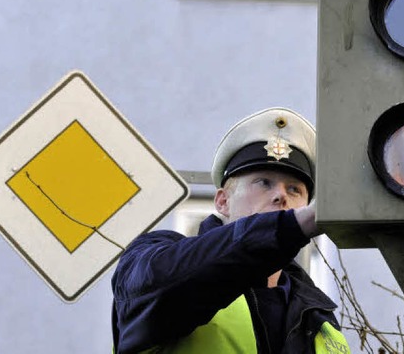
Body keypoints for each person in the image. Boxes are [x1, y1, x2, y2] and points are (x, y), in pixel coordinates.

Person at [111, 107, 350, 354]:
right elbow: (167, 283)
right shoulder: (158, 262)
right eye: (264, 183)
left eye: (294, 190)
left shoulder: (322, 322)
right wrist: (287, 227)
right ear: (223, 201)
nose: (281, 195)